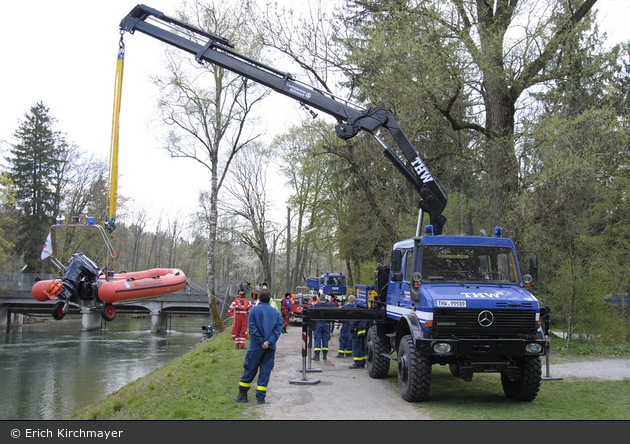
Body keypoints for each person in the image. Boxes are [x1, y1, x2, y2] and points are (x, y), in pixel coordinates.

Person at [233, 288, 283, 404]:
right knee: (265, 372)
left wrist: (261, 341)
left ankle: (243, 395)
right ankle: (260, 398)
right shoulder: (275, 313)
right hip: (270, 348)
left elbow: (252, 328)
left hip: (256, 346)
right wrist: (269, 342)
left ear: (259, 299)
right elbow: (277, 329)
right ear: (269, 299)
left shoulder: (254, 311)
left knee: (250, 369)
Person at [311, 295, 334, 362]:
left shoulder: (315, 306)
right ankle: (324, 356)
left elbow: (309, 310)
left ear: (319, 299)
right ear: (325, 300)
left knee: (317, 339)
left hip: (318, 324)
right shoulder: (329, 306)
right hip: (326, 324)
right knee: (325, 340)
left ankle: (317, 356)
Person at [348, 296, 367, 369]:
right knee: (362, 347)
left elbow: (353, 321)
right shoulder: (363, 308)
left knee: (356, 347)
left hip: (356, 331)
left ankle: (357, 363)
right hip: (363, 331)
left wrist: (351, 330)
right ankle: (363, 362)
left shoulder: (355, 309)